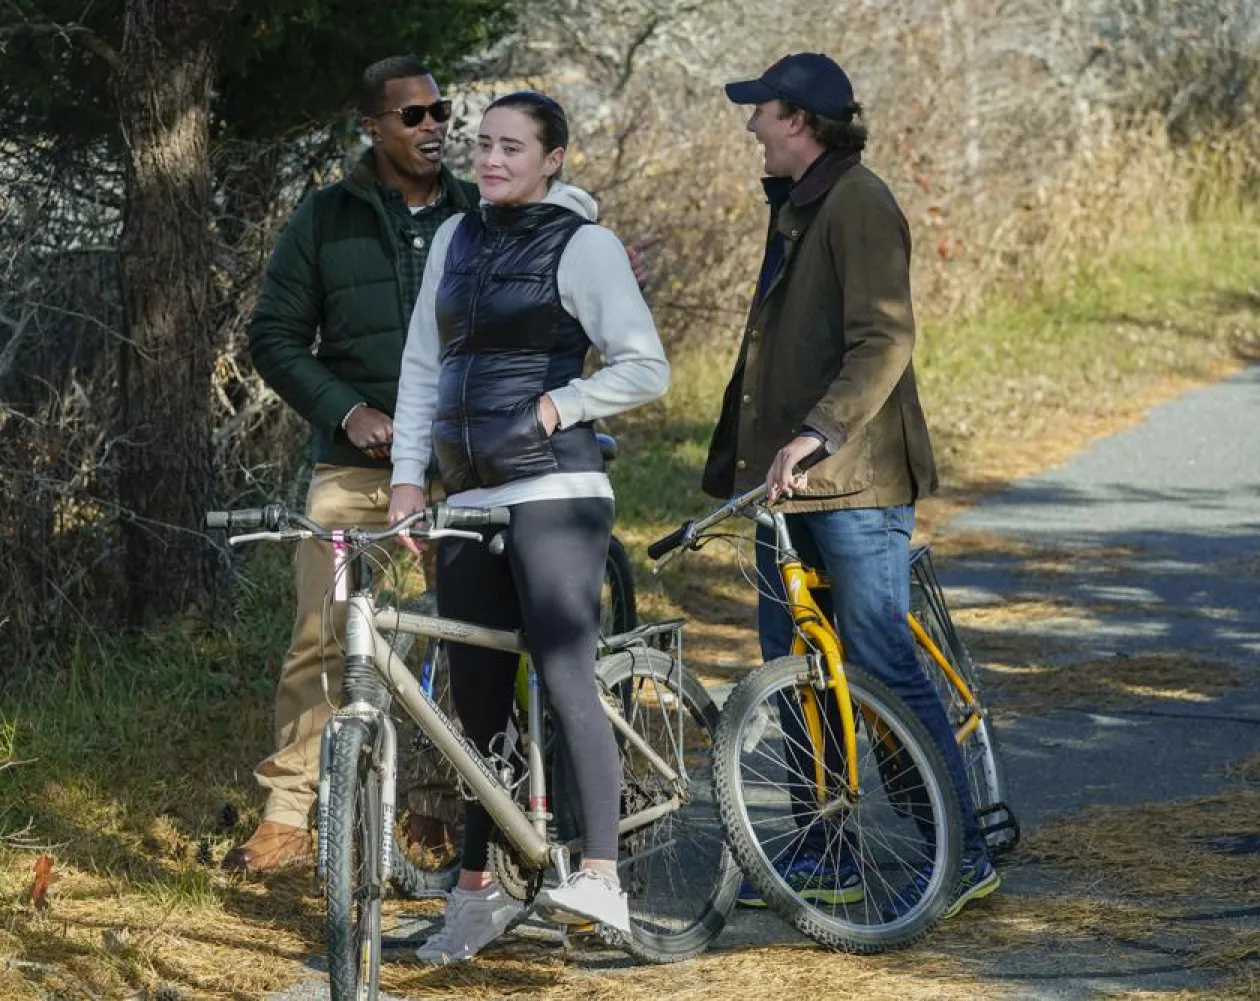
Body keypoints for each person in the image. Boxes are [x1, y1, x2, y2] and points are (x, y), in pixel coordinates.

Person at [233, 57, 654, 876]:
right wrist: (348, 411)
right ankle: (289, 808)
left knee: (469, 653)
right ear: (373, 126)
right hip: (363, 468)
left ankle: (439, 811)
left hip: (479, 474)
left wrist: (550, 409)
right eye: (414, 116)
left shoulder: (479, 212)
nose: (434, 129)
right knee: (327, 635)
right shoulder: (327, 219)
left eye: (441, 114)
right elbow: (273, 336)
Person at [703, 53, 999, 916]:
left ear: (798, 119)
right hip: (786, 484)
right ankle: (827, 850)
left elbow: (884, 341)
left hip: (854, 481)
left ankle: (962, 852)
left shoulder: (859, 202)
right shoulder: (799, 202)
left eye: (760, 110)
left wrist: (815, 433)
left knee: (877, 663)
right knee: (796, 670)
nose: (750, 123)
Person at [388, 91, 669, 964]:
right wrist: (407, 480)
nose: (492, 158)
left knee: (560, 666)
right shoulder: (454, 239)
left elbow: (644, 366)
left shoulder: (581, 245)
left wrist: (560, 402)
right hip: (467, 496)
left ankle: (599, 874)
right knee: (473, 701)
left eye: (513, 146)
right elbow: (422, 365)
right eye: (484, 145)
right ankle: (475, 894)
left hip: (556, 488)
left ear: (553, 160)